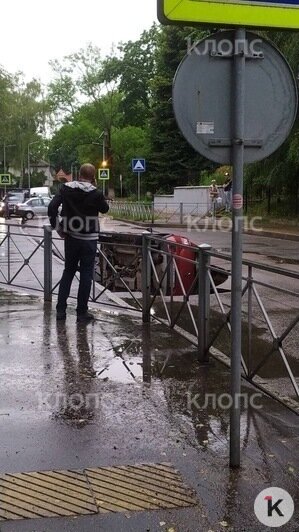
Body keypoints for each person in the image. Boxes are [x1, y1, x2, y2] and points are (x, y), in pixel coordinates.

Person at [48, 163, 109, 322]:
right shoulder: (96, 193)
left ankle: (61, 311)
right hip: (89, 240)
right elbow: (105, 209)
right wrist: (95, 189)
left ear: (79, 174)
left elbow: (52, 207)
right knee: (86, 275)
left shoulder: (65, 188)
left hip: (71, 238)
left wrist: (58, 227)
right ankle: (82, 313)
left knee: (68, 271)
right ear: (93, 176)